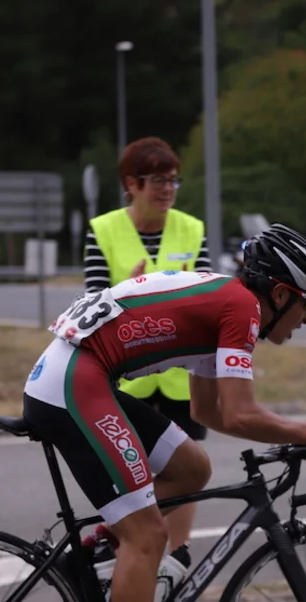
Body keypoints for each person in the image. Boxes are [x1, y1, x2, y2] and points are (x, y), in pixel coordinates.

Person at [22, 223, 306, 602]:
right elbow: (242, 414)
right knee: (148, 536)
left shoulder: (227, 302)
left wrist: (303, 435)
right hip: (74, 383)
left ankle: (96, 548)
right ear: (280, 294)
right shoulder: (242, 308)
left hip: (76, 374)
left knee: (190, 467)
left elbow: (210, 413)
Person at [83, 137, 212, 446]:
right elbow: (91, 307)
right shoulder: (103, 230)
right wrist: (126, 292)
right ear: (132, 183)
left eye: (173, 180)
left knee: (190, 469)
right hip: (127, 379)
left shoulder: (193, 229)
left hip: (182, 378)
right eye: (158, 181)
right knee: (133, 467)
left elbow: (209, 302)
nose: (168, 189)